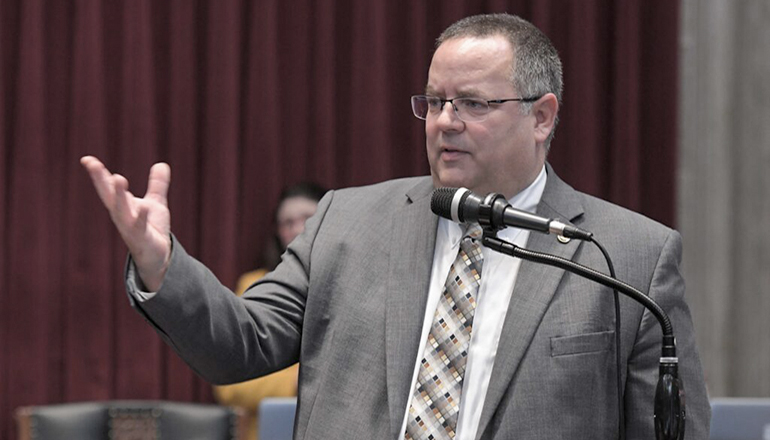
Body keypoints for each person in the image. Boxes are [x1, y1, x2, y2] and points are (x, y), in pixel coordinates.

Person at [81, 13, 710, 439]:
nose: (445, 122)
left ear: (542, 116)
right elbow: (240, 343)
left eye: (472, 103)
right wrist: (163, 265)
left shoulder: (627, 254)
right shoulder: (347, 222)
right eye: (434, 102)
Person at [213, 182, 326, 440]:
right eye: (287, 223)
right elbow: (230, 386)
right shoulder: (254, 286)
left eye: (308, 218)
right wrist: (301, 382)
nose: (297, 229)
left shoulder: (353, 281)